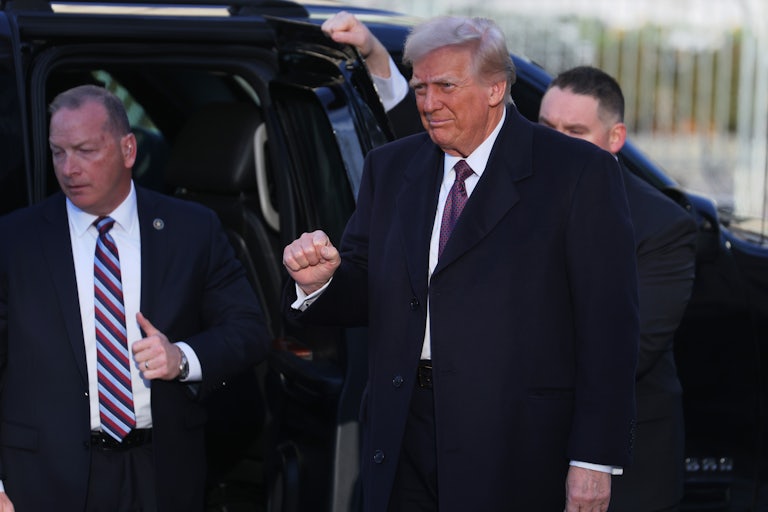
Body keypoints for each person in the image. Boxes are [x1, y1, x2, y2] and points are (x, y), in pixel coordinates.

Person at [283, 15, 639, 512]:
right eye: (420, 87)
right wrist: (321, 282)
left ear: (496, 89)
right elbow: (369, 282)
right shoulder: (391, 167)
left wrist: (594, 460)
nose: (428, 104)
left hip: (516, 442)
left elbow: (610, 329)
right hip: (403, 428)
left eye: (445, 86)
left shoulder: (576, 172)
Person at [0, 85, 269, 511]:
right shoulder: (15, 239)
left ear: (128, 150)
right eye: (58, 153)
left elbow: (249, 331)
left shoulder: (191, 230)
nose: (69, 168)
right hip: (42, 480)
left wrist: (181, 359)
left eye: (85, 150)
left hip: (162, 472)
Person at [539, 66, 697, 512]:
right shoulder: (507, 195)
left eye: (575, 131)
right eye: (547, 127)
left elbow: (629, 348)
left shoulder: (663, 226)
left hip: (623, 468)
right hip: (520, 452)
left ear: (615, 138)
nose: (557, 142)